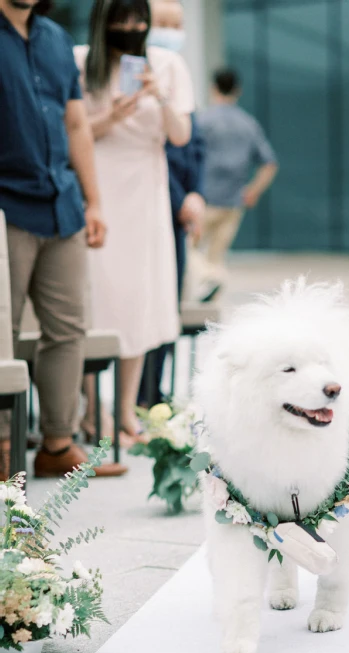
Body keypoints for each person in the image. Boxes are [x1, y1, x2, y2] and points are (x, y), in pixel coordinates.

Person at [0, 0, 125, 479]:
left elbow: (76, 124)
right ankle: (3, 446)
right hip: (7, 207)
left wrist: (93, 202)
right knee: (1, 332)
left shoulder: (53, 38)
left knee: (68, 330)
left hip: (63, 207)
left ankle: (57, 444)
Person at [75, 0, 194, 444]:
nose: (131, 27)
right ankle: (91, 411)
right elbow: (75, 131)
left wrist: (157, 95)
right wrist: (114, 114)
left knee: (142, 296)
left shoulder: (168, 64)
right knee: (94, 299)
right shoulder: (79, 62)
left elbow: (180, 135)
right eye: (121, 19)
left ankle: (126, 411)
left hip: (145, 188)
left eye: (137, 19)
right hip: (99, 185)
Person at [138, 0, 205, 406]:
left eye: (176, 24)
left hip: (178, 215)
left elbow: (193, 144)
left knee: (169, 305)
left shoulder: (178, 74)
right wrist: (180, 199)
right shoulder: (137, 76)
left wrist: (195, 193)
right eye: (162, 23)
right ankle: (139, 398)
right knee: (144, 304)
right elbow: (148, 152)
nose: (170, 31)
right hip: (147, 208)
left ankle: (153, 394)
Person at [195, 68, 278, 302]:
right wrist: (253, 191)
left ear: (213, 88)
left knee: (188, 250)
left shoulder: (203, 120)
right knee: (216, 256)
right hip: (233, 202)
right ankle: (211, 289)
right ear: (237, 90)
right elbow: (269, 164)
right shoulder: (248, 124)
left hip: (205, 199)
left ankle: (210, 280)